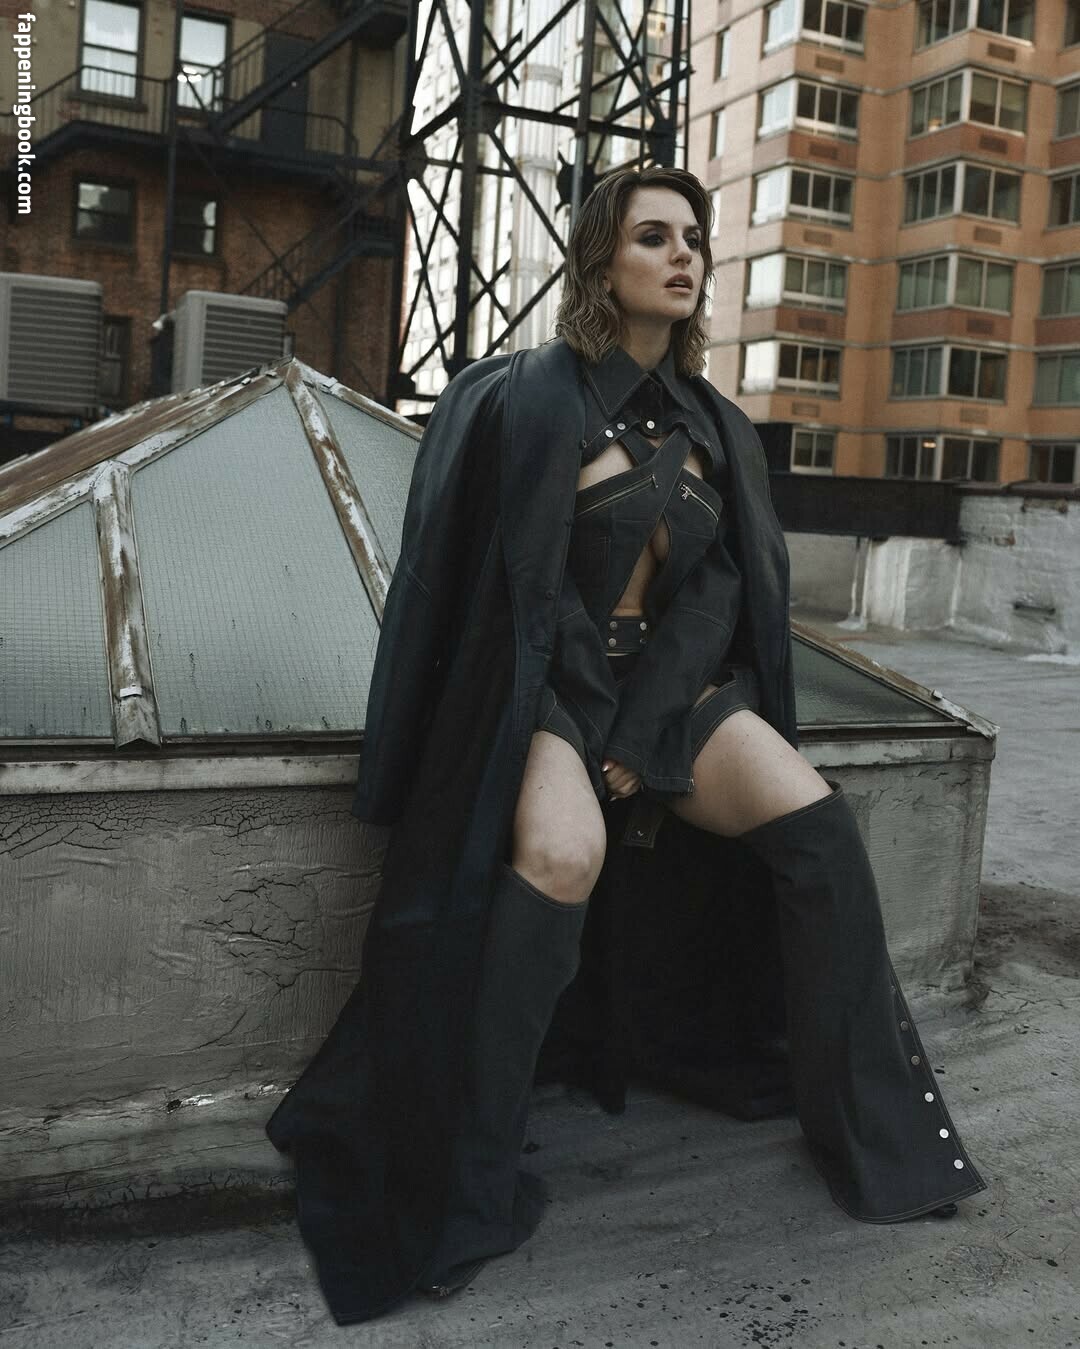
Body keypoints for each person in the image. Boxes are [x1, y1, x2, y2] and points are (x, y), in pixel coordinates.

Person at [266, 165, 986, 1325]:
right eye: (655, 236)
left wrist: (650, 728)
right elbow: (513, 590)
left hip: (669, 692)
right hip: (547, 692)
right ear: (602, 258)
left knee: (818, 826)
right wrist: (596, 725)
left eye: (693, 237)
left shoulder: (716, 424)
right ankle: (470, 1180)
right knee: (560, 854)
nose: (683, 254)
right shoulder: (521, 396)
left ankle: (881, 1138)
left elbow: (719, 593)